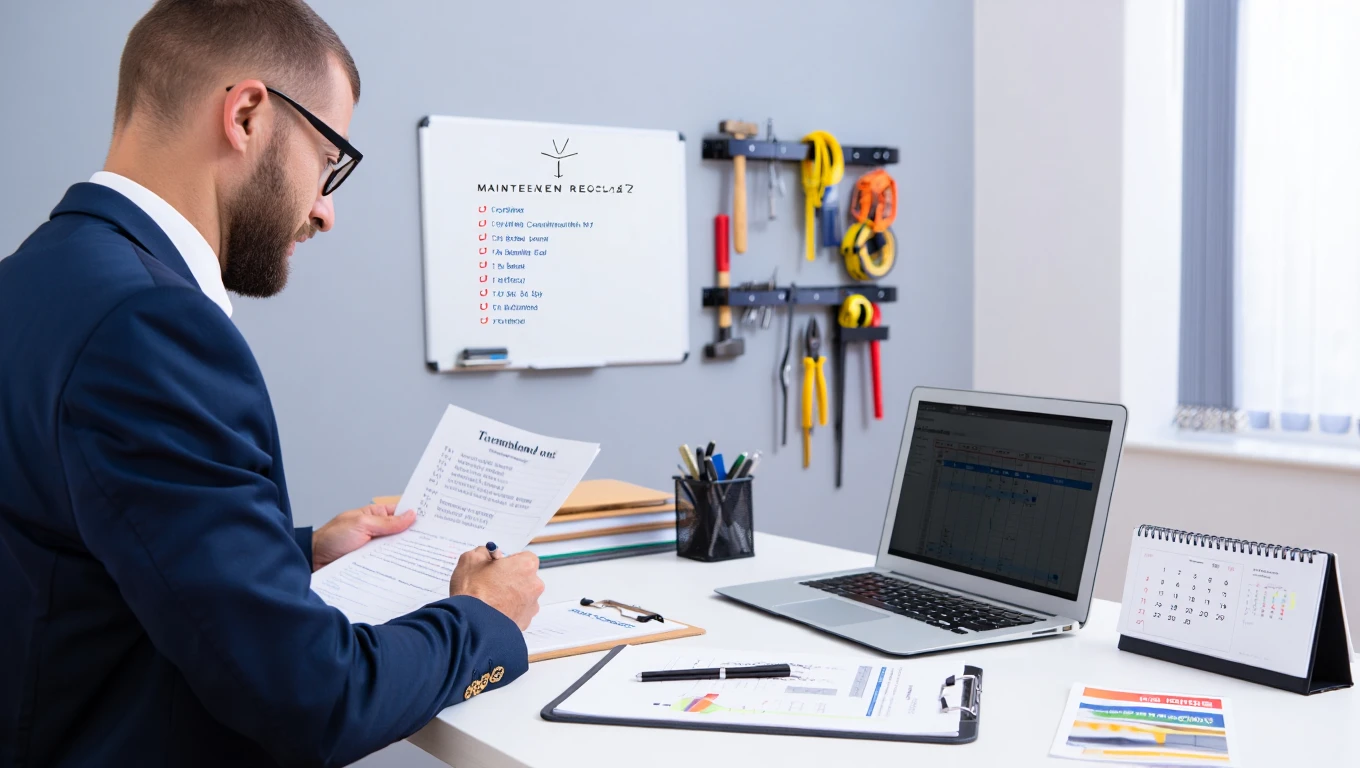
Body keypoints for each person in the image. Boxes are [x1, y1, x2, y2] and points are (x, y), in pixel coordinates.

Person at [0, 1, 544, 765]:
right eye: (328, 163)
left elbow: (78, 555)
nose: (324, 212)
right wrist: (481, 619)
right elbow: (311, 697)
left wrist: (299, 552)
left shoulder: (34, 278)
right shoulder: (150, 324)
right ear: (248, 114)